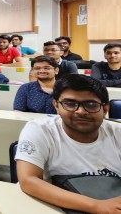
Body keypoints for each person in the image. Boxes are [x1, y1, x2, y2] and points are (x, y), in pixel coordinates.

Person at [16, 74, 121, 214]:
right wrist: (96, 206)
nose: (81, 111)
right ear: (56, 106)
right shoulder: (40, 130)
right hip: (54, 207)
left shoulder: (117, 133)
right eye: (70, 104)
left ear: (105, 109)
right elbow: (28, 180)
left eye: (91, 105)